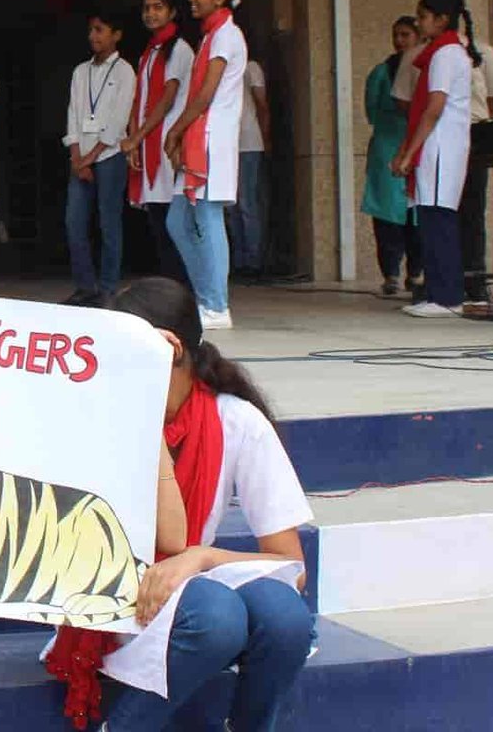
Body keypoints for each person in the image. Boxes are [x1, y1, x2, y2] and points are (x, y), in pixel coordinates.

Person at [48, 277, 314, 732]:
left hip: (187, 580)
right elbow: (168, 539)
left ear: (170, 348)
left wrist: (202, 557)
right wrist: (145, 423)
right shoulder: (100, 414)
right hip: (112, 586)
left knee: (285, 617)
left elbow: (292, 565)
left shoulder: (236, 420)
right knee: (216, 616)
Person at [164, 0, 248, 331]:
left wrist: (176, 130)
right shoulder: (211, 35)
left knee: (208, 216)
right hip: (201, 138)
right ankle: (206, 298)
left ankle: (216, 305)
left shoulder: (226, 35)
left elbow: (205, 94)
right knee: (178, 221)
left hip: (212, 138)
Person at [391, 0, 476, 318]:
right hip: (438, 144)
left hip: (440, 145)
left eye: (423, 17)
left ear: (442, 20)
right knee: (430, 217)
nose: (420, 23)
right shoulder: (442, 52)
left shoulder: (445, 54)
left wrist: (409, 153)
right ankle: (438, 291)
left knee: (438, 218)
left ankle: (447, 296)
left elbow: (434, 107)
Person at [62, 12, 136, 306]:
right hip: (81, 156)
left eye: (100, 30)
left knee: (109, 223)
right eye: (91, 30)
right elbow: (73, 114)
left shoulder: (124, 71)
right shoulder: (81, 71)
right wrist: (76, 156)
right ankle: (85, 286)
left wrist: (90, 158)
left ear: (116, 35)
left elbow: (118, 121)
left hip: (109, 156)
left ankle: (107, 288)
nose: (93, 36)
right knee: (74, 222)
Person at [123, 0, 194, 285]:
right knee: (158, 223)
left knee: (172, 225)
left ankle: (182, 289)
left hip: (168, 143)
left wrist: (138, 137)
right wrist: (134, 138)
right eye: (147, 8)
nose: (151, 13)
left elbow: (168, 98)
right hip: (149, 142)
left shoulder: (179, 49)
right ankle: (169, 287)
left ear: (172, 12)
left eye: (158, 7)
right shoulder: (149, 52)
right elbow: (138, 100)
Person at [363, 17, 424, 298]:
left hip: (418, 145)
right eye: (396, 35)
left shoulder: (425, 70)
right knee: (386, 215)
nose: (400, 41)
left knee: (418, 214)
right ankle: (391, 274)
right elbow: (371, 110)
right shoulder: (381, 72)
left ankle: (416, 272)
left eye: (406, 35)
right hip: (387, 147)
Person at [461, 31, 493, 303]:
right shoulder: (425, 52)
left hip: (474, 133)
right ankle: (445, 279)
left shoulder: (482, 51)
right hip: (440, 135)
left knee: (473, 209)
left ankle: (475, 279)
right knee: (442, 211)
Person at [229, 51, 270, 280]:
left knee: (247, 203)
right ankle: (239, 260)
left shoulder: (251, 67)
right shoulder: (222, 67)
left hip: (249, 142)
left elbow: (262, 105)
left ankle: (253, 261)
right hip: (228, 145)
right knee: (232, 206)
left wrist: (266, 137)